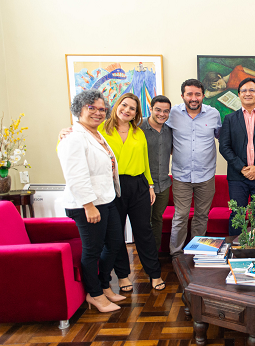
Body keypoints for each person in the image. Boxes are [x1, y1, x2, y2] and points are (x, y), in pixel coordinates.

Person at [59, 93, 166, 292]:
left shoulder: (138, 132)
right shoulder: (99, 129)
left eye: (132, 108)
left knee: (144, 231)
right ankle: (123, 275)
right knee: (116, 237)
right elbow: (73, 146)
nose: (127, 110)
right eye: (124, 105)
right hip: (113, 187)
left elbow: (146, 162)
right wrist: (64, 132)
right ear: (116, 106)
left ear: (136, 113)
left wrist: (150, 185)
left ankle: (154, 273)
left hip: (139, 185)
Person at [57, 90, 125, 312]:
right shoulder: (73, 137)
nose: (97, 112)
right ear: (79, 110)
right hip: (87, 204)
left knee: (115, 244)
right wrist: (88, 204)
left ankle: (104, 285)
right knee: (92, 250)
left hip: (107, 199)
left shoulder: (96, 134)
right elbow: (76, 174)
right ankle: (94, 294)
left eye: (101, 108)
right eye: (91, 108)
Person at [166, 79, 222, 257]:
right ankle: (176, 254)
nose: (193, 98)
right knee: (180, 216)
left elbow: (223, 138)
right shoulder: (172, 113)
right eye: (189, 94)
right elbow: (155, 126)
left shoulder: (213, 114)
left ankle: (195, 253)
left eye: (197, 94)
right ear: (182, 95)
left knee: (201, 216)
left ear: (203, 95)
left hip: (206, 176)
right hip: (181, 176)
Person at [219, 77, 255, 235]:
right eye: (244, 90)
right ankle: (237, 252)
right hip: (237, 177)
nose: (248, 93)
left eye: (252, 90)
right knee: (237, 215)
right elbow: (224, 147)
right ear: (238, 94)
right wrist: (242, 168)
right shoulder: (230, 119)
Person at [140, 95, 173, 251]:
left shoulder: (170, 130)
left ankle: (155, 255)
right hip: (144, 185)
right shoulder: (138, 127)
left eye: (166, 111)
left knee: (157, 219)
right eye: (158, 110)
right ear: (151, 109)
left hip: (164, 184)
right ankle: (145, 257)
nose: (162, 114)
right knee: (144, 222)